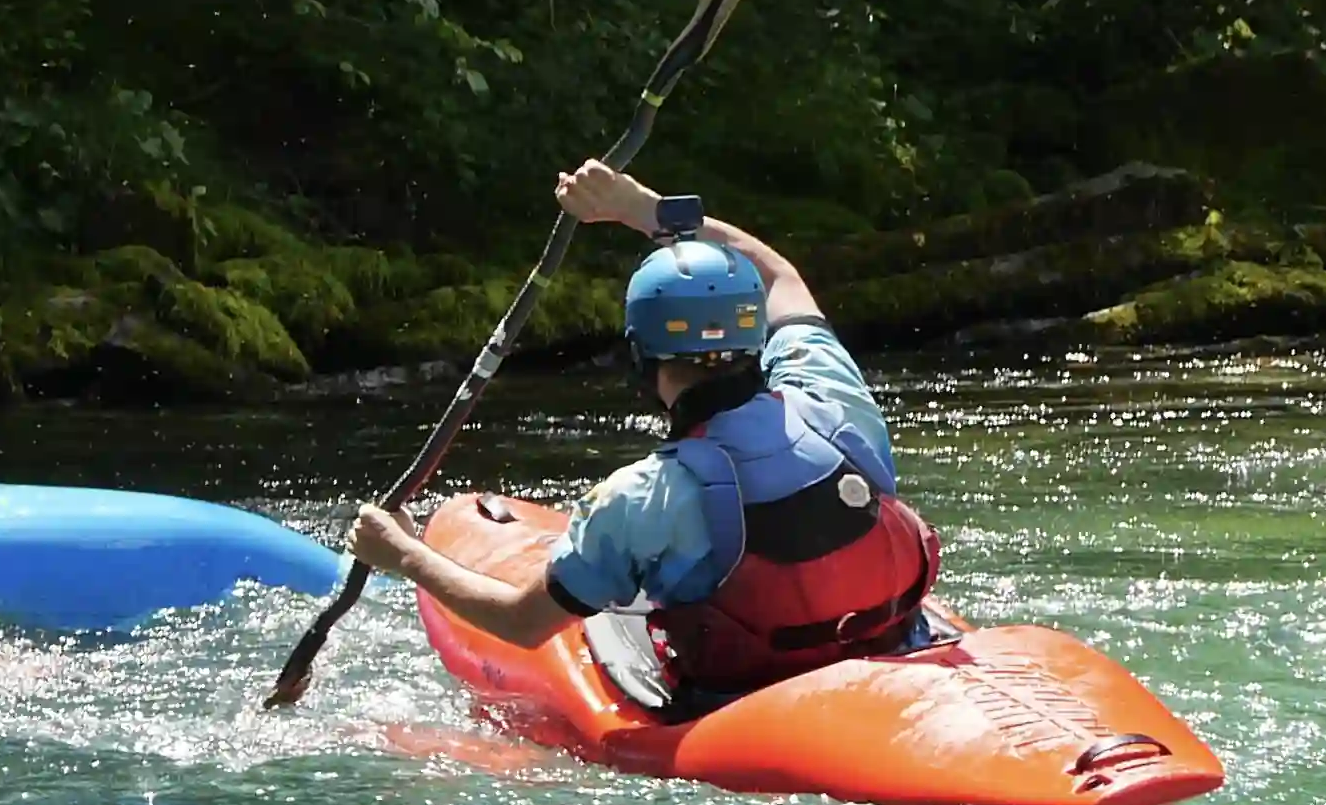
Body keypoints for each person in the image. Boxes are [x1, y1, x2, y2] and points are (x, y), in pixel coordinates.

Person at [347, 162, 940, 712]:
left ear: (640, 359)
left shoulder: (640, 499)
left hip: (752, 702)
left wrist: (401, 554)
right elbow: (778, 274)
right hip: (897, 649)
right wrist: (649, 210)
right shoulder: (831, 395)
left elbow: (521, 624)